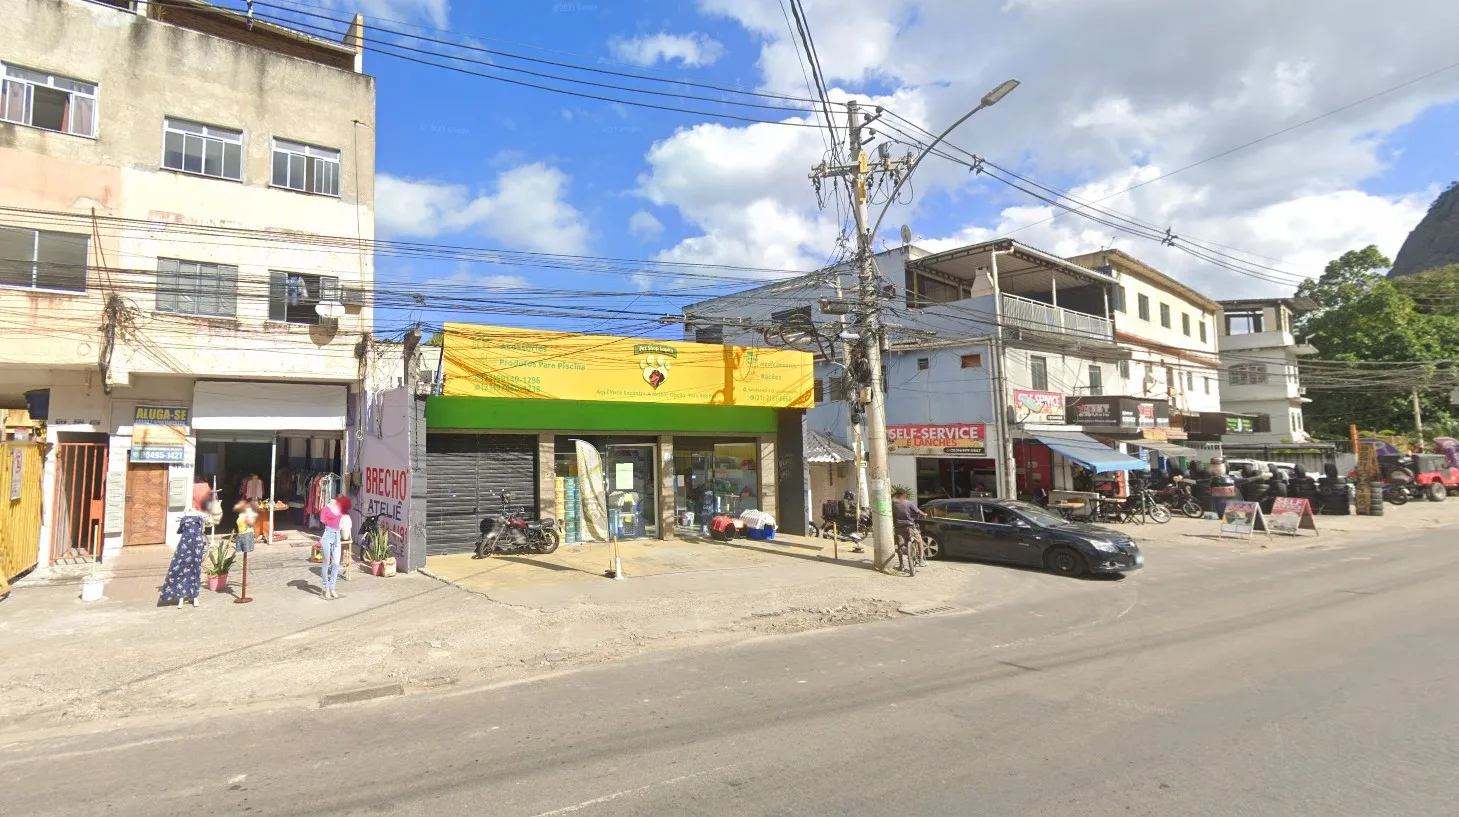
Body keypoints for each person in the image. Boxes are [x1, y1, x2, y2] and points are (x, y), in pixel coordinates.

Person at [317, 495, 351, 600]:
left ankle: (332, 587)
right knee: (326, 562)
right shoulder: (325, 509)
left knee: (336, 563)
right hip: (327, 535)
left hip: (337, 535)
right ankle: (326, 587)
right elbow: (324, 522)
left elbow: (342, 521)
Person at [891, 486, 926, 572]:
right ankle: (921, 560)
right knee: (919, 540)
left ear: (897, 494)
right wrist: (924, 514)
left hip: (898, 526)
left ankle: (901, 565)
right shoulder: (908, 503)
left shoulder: (893, 502)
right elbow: (918, 512)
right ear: (904, 494)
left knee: (900, 546)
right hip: (910, 525)